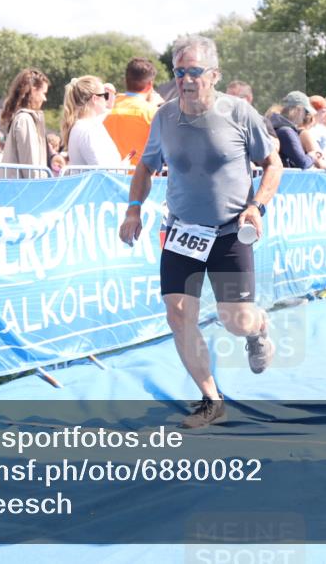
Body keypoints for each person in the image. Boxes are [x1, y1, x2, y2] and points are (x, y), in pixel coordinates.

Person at [118, 35, 281, 429]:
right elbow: (145, 166)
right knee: (178, 314)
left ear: (214, 75)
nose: (186, 80)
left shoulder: (239, 113)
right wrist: (134, 208)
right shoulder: (164, 117)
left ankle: (258, 327)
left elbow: (273, 164)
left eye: (194, 72)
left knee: (236, 321)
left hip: (229, 232)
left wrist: (256, 206)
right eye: (179, 72)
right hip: (182, 231)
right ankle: (211, 399)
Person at [105, 58, 162, 165]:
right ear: (150, 85)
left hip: (110, 173)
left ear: (125, 81)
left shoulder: (107, 108)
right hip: (141, 174)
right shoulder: (153, 113)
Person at [62, 75, 124, 167]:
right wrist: (122, 167)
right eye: (105, 95)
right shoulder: (88, 129)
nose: (106, 100)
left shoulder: (84, 126)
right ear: (95, 99)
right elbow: (101, 169)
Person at [0, 68, 51, 178]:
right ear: (33, 90)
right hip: (24, 186)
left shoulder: (22, 118)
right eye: (43, 93)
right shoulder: (25, 120)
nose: (45, 99)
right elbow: (31, 166)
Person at [270, 92, 317, 169]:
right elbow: (303, 163)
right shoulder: (287, 131)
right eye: (306, 111)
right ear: (298, 110)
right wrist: (312, 156)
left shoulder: (273, 124)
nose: (305, 116)